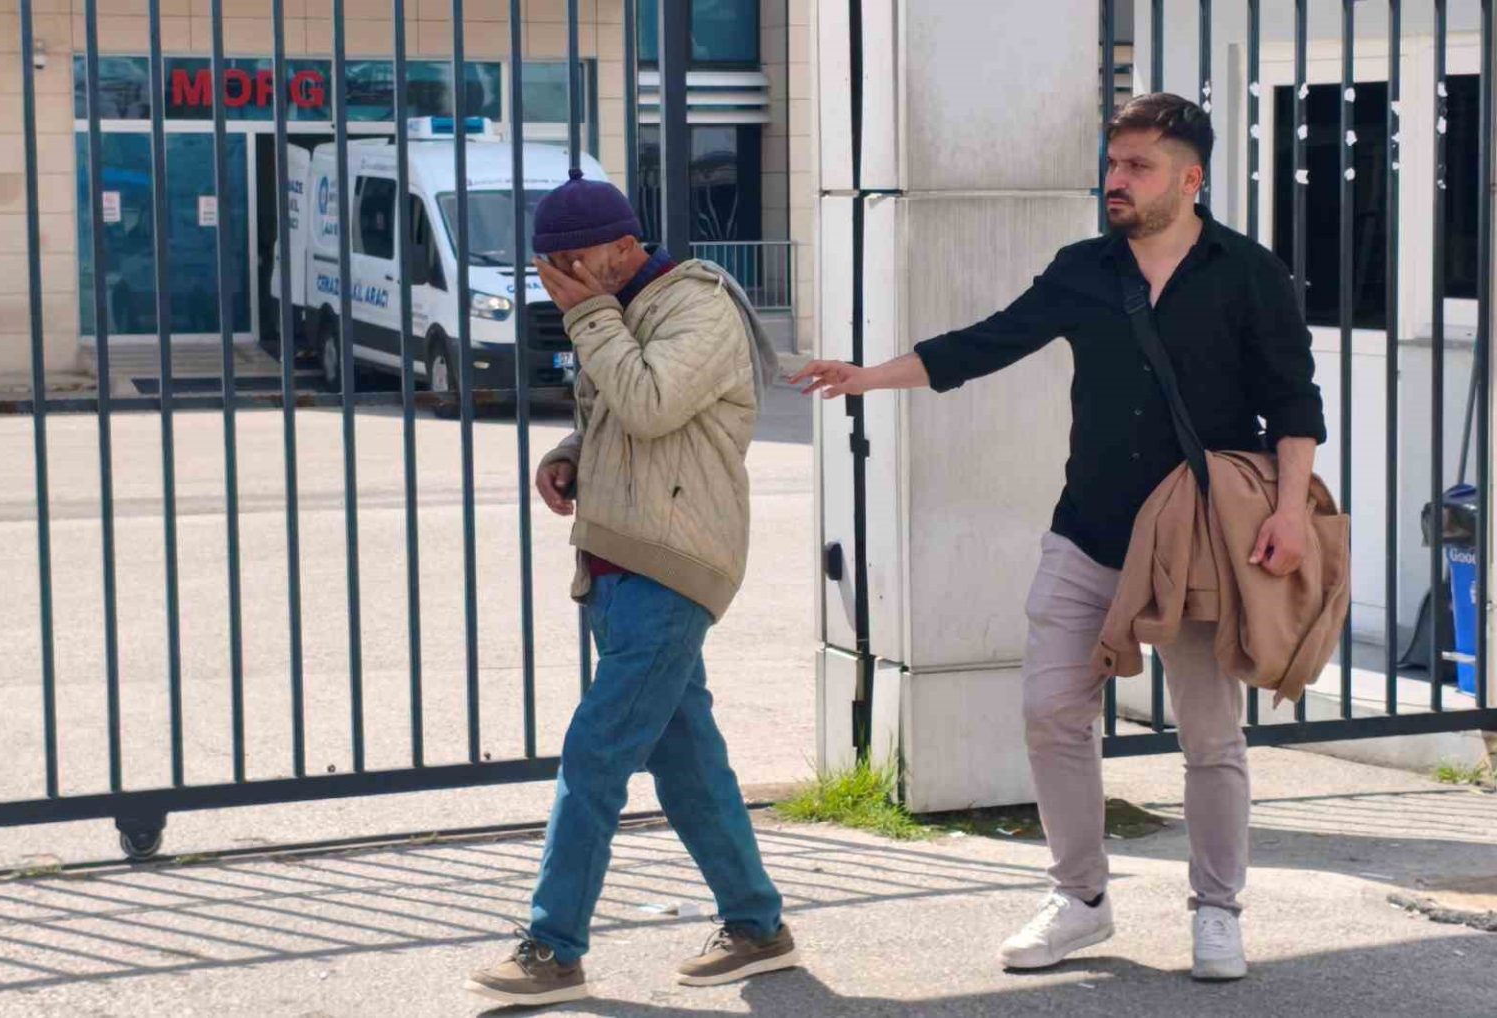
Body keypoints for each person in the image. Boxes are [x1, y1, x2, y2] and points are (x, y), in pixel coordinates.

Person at [791, 93, 1326, 982]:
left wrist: (1290, 510)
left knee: (1210, 735)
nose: (1117, 179)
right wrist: (868, 376)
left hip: (1198, 540)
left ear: (1190, 179)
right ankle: (1080, 898)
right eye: (1113, 163)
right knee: (1050, 713)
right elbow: (989, 342)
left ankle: (1217, 910)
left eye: (1138, 166)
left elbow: (1294, 403)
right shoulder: (1086, 269)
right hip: (1090, 531)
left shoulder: (1249, 274)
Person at [466, 168, 798, 1007]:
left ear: (622, 247)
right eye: (549, 270)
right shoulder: (619, 307)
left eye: (571, 266)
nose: (560, 284)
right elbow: (621, 414)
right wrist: (572, 453)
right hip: (617, 560)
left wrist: (588, 316)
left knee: (596, 753)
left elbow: (651, 402)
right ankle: (757, 925)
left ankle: (553, 948)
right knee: (688, 764)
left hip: (671, 564)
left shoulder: (697, 307)